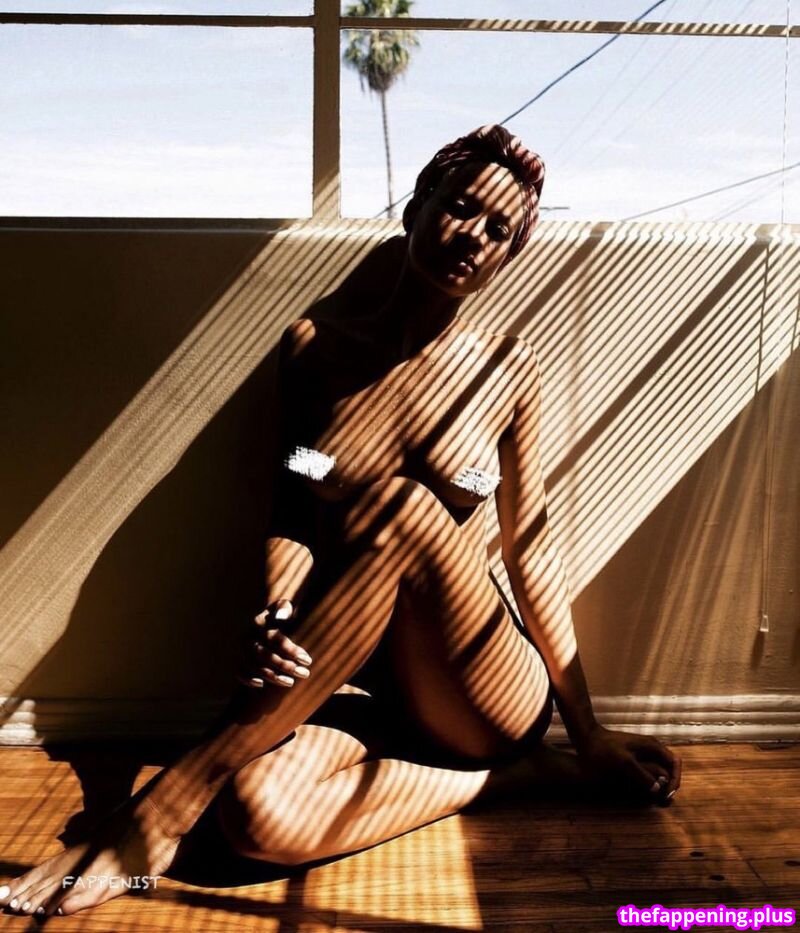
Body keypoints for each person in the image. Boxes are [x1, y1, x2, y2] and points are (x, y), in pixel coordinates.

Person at [0, 124, 680, 918]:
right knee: (257, 816)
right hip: (368, 682)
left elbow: (531, 548)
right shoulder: (316, 351)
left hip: (480, 683)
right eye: (462, 207)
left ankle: (159, 811)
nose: (475, 235)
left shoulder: (506, 369)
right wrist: (279, 606)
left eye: (499, 229)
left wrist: (588, 729)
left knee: (401, 505)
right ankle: (512, 777)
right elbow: (296, 494)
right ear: (417, 207)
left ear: (507, 258)